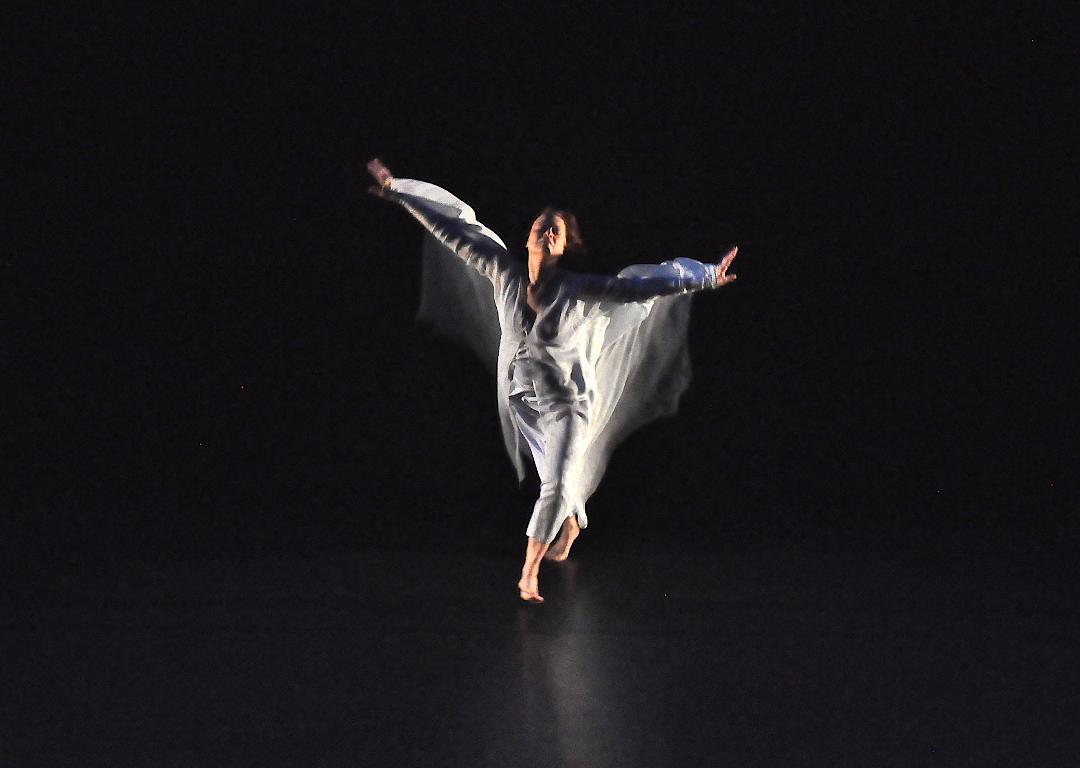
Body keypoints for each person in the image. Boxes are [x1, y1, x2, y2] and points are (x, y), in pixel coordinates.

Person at [366, 158, 738, 602]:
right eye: (541, 226)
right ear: (527, 237)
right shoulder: (503, 271)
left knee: (558, 481)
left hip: (568, 403)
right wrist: (398, 190)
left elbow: (645, 283)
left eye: (555, 231)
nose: (546, 232)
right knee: (555, 473)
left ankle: (529, 572)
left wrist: (706, 276)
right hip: (521, 397)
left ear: (563, 247)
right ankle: (572, 525)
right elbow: (457, 227)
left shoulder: (581, 289)